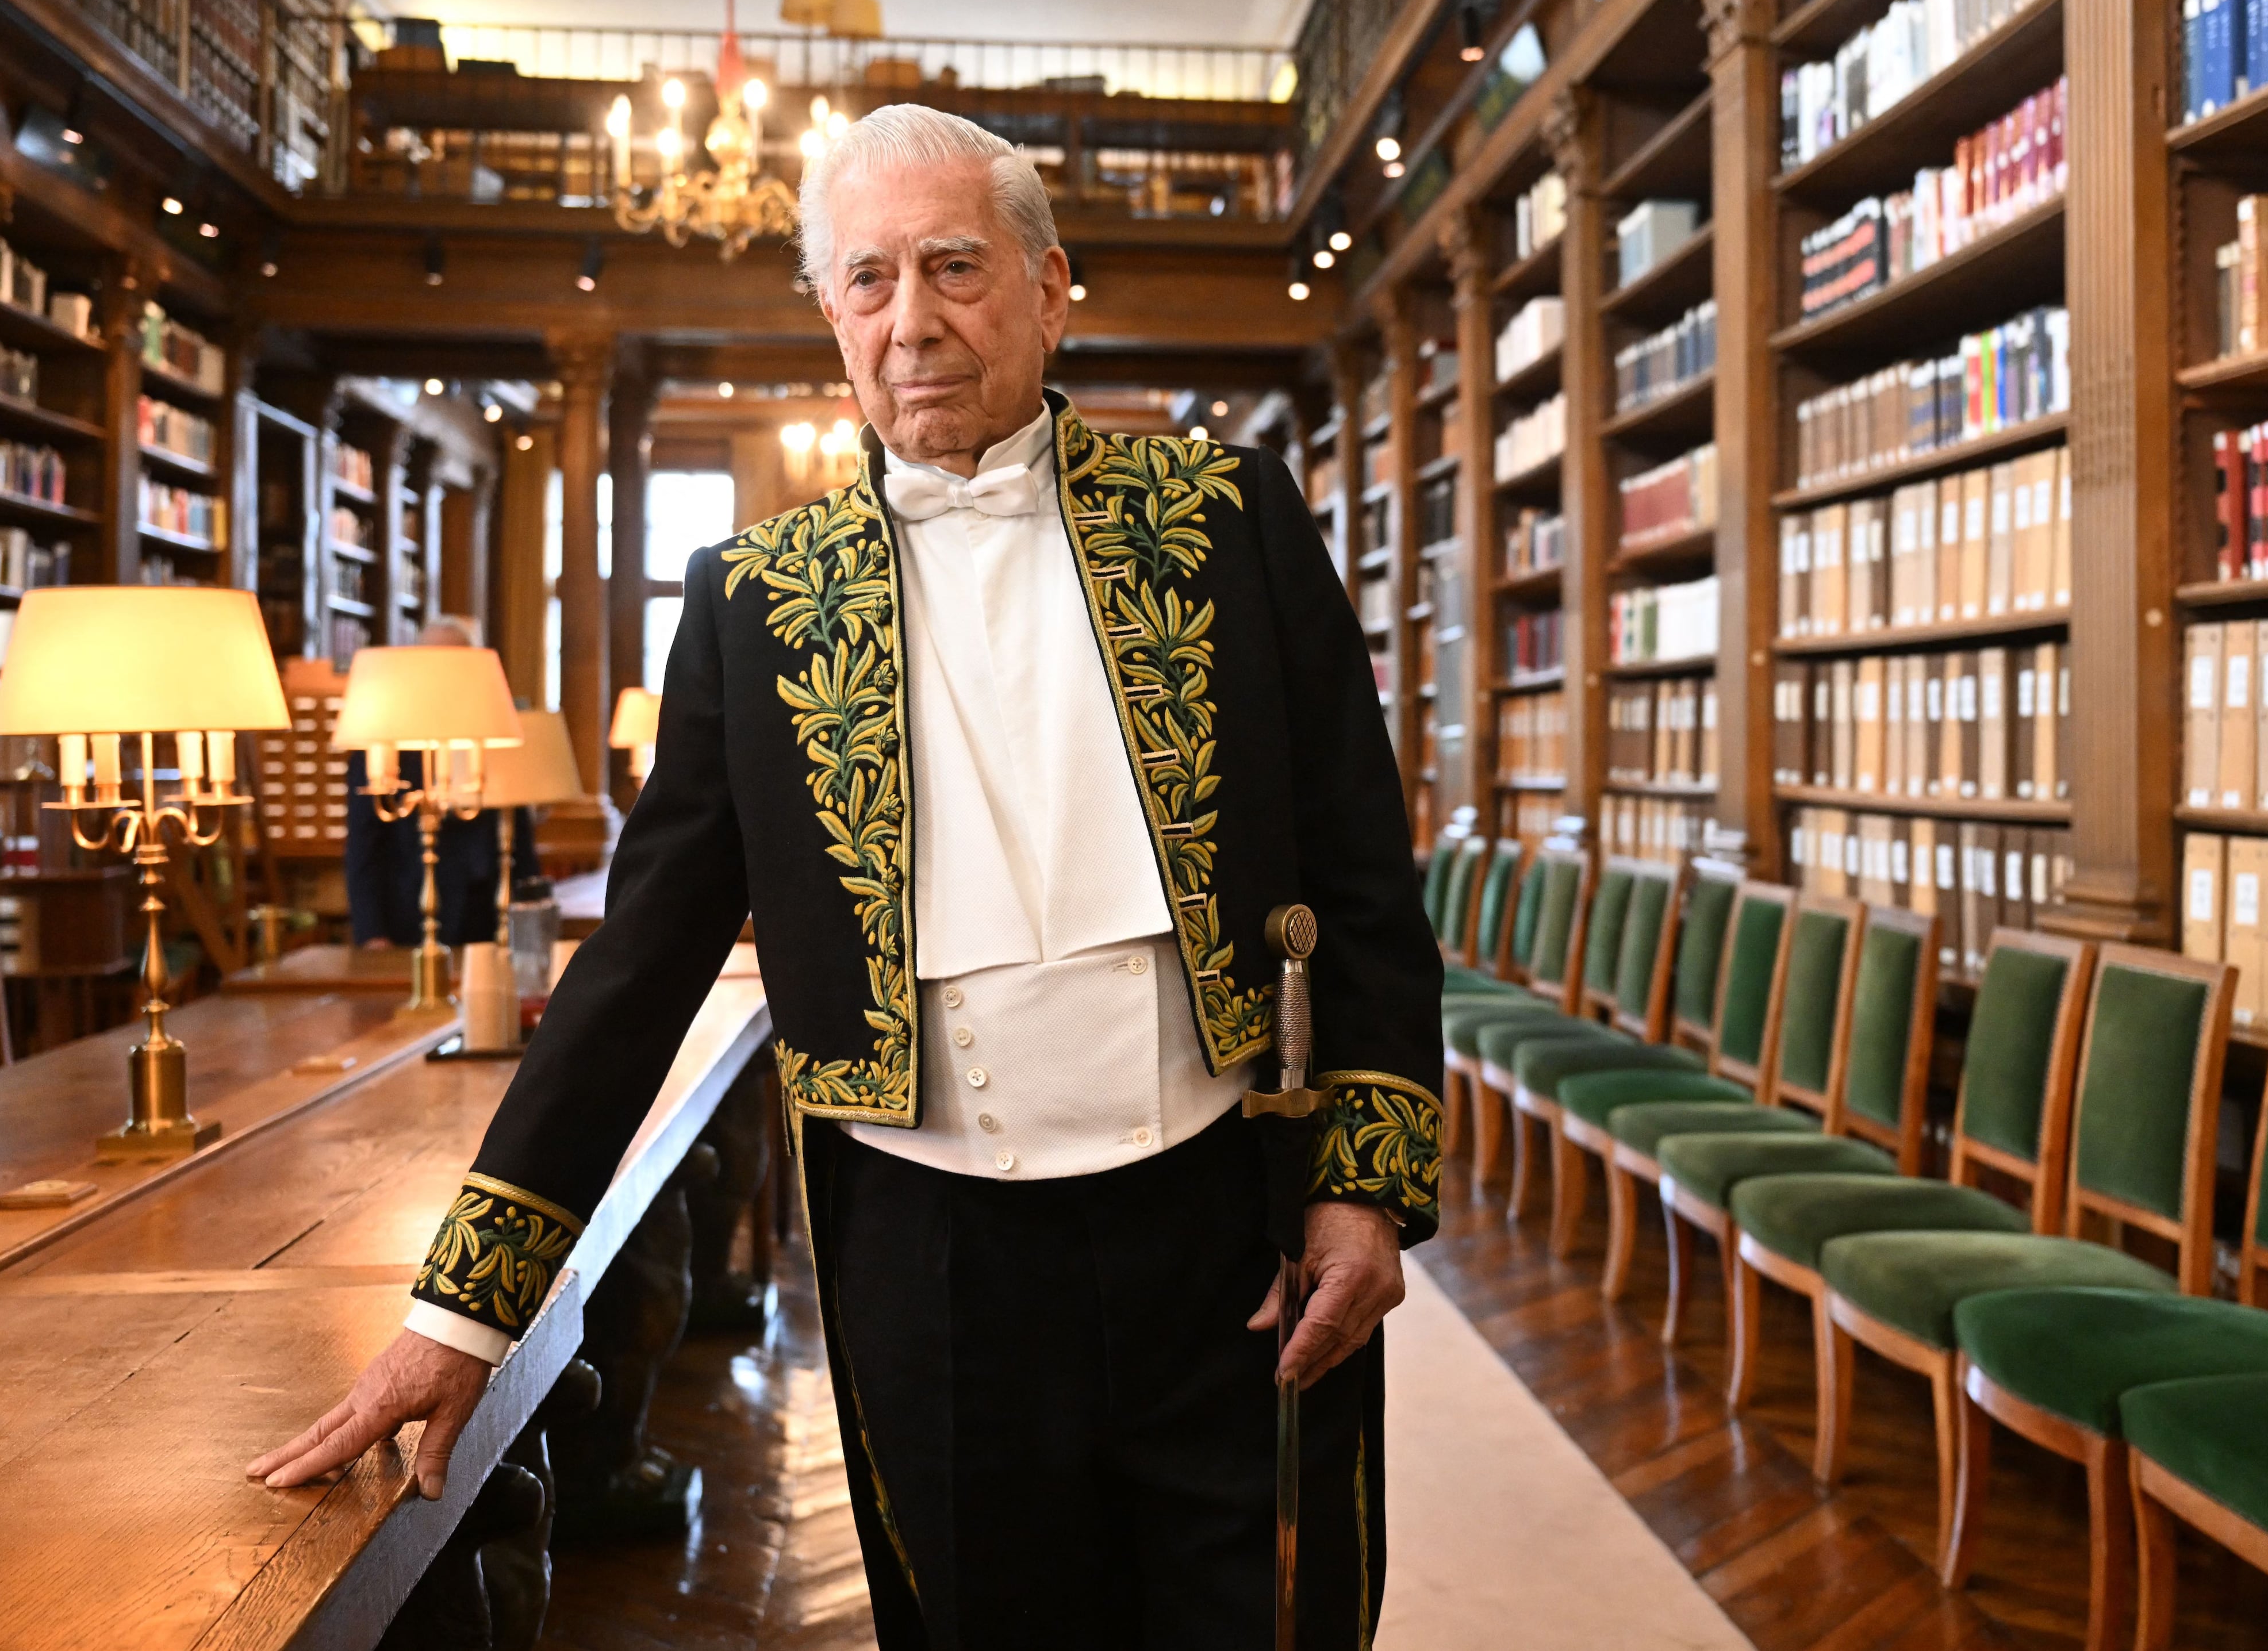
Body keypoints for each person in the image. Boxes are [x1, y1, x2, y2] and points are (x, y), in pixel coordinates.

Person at [250, 105, 1442, 1648]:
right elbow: (641, 962)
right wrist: (461, 1311)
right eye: (869, 280)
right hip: (931, 1263)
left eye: (955, 267)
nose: (913, 321)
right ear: (832, 314)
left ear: (1049, 289)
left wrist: (1364, 1189)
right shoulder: (751, 600)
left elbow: (1363, 875)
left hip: (1229, 1230)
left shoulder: (1230, 520)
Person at [340, 617, 537, 948]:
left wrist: (528, 930)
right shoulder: (382, 747)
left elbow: (520, 845)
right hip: (407, 921)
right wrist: (373, 934)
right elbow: (364, 850)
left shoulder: (495, 737)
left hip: (485, 919)